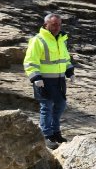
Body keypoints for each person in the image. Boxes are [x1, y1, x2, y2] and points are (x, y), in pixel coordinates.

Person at [23, 13, 74, 150]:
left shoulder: (61, 39)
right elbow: (30, 61)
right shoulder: (38, 40)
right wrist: (35, 77)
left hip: (59, 80)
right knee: (46, 108)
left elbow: (65, 58)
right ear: (46, 25)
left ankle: (55, 132)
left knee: (60, 105)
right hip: (44, 80)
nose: (57, 27)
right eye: (54, 24)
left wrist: (70, 71)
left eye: (59, 24)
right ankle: (46, 135)